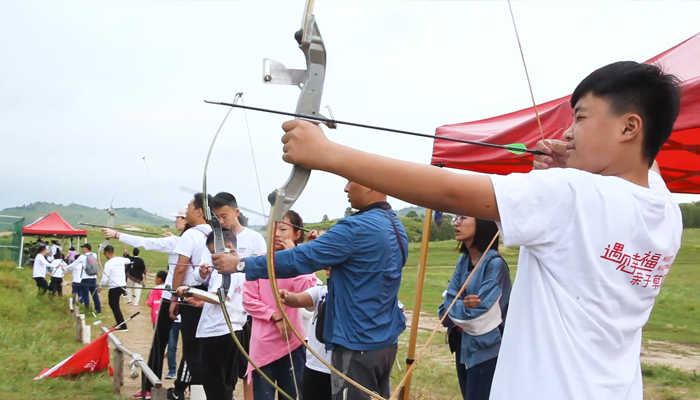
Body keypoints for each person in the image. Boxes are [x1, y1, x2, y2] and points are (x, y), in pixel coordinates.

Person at [277, 61, 683, 400]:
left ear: (629, 127)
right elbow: (644, 170)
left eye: (580, 117)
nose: (567, 133)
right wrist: (578, 163)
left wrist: (328, 154)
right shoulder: (665, 208)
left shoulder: (571, 192)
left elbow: (451, 190)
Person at [229, 182, 408, 400]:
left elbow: (299, 259)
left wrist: (242, 264)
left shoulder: (356, 227)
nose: (345, 188)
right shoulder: (396, 226)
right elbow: (359, 272)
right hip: (384, 344)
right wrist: (326, 251)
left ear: (369, 185)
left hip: (357, 345)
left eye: (351, 181)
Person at [103, 205, 190, 400]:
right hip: (187, 297)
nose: (175, 221)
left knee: (162, 344)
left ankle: (155, 387)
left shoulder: (180, 241)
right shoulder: (183, 240)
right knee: (186, 346)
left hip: (175, 297)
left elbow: (146, 242)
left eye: (178, 218)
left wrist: (117, 234)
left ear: (186, 220)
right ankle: (177, 388)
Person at [240, 210, 316, 400]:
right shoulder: (259, 261)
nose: (276, 234)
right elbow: (248, 299)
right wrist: (276, 316)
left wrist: (295, 256)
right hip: (263, 344)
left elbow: (308, 292)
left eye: (283, 229)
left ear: (297, 235)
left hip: (293, 341)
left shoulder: (301, 264)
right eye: (272, 229)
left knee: (291, 395)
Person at [439, 216, 511, 400]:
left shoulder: (494, 264)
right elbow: (444, 313)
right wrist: (461, 304)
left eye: (462, 217)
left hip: (486, 350)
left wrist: (455, 303)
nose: (456, 223)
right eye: (455, 218)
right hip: (463, 347)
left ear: (483, 223)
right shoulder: (463, 261)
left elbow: (481, 317)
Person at [207, 192, 267, 400]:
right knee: (227, 369)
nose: (222, 221)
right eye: (217, 218)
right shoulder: (216, 238)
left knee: (249, 365)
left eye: (225, 216)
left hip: (248, 311)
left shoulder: (254, 238)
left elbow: (264, 273)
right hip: (224, 314)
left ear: (237, 212)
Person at [177, 228, 246, 400]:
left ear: (228, 246)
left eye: (214, 253)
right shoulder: (241, 267)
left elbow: (219, 297)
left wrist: (190, 290)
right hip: (232, 330)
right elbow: (226, 300)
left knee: (215, 385)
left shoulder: (226, 270)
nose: (213, 259)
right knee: (226, 383)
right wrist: (202, 301)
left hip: (217, 333)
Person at [168, 193, 213, 400]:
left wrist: (175, 297)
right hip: (211, 294)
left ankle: (196, 390)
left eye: (188, 207)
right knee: (204, 346)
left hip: (191, 293)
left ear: (199, 212)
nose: (185, 211)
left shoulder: (191, 235)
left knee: (191, 348)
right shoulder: (216, 233)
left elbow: (180, 269)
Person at [278, 267, 333, 400]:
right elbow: (297, 299)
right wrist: (286, 296)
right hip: (315, 365)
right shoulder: (321, 291)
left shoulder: (355, 296)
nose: (328, 269)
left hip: (341, 369)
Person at [65, 243, 102, 314]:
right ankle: (98, 310)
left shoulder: (82, 257)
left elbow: (73, 264)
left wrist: (65, 267)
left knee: (85, 295)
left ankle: (87, 309)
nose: (82, 249)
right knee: (95, 295)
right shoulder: (94, 255)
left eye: (83, 248)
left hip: (85, 278)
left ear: (86, 248)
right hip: (93, 278)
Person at [98, 245, 129, 331]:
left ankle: (123, 325)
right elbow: (128, 260)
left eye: (104, 254)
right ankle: (120, 323)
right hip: (122, 285)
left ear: (107, 253)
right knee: (115, 305)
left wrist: (100, 287)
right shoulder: (121, 260)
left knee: (114, 305)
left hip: (114, 287)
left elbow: (105, 278)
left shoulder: (108, 263)